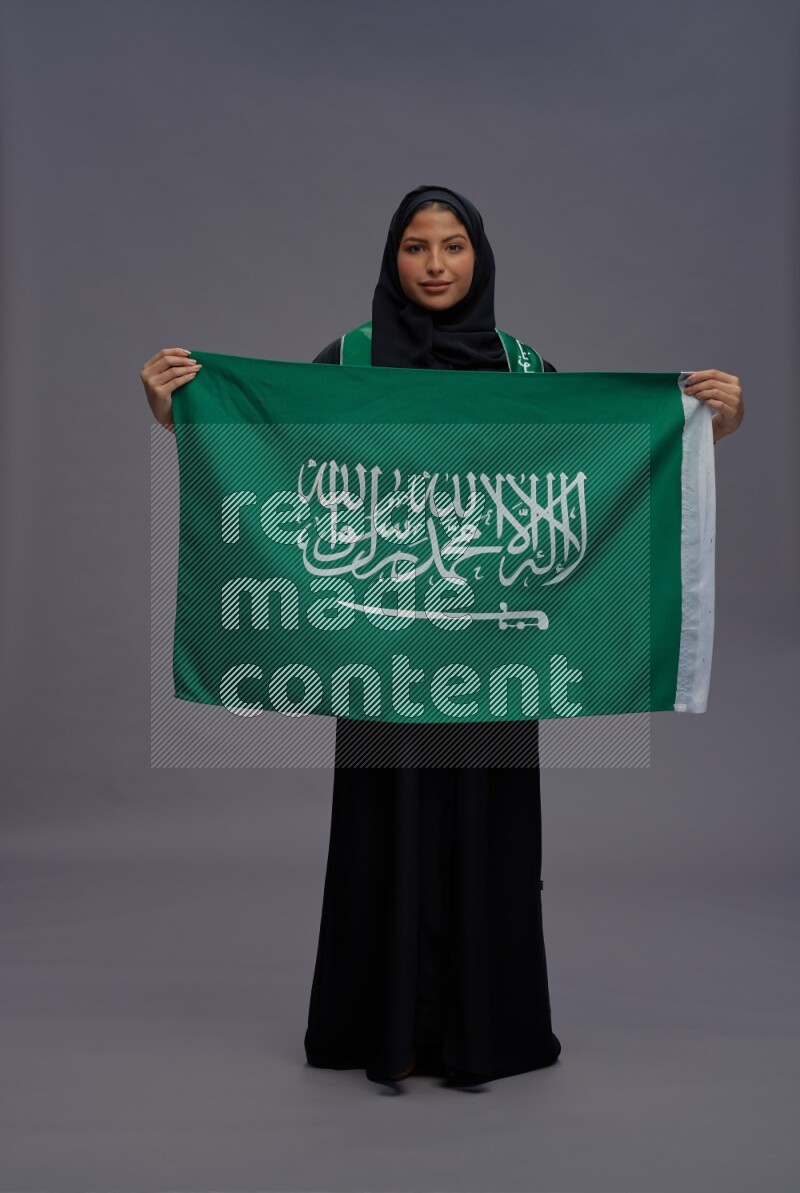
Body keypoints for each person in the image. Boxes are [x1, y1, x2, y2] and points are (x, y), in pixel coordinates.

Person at [140, 186, 745, 1092]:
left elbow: (597, 466)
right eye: (416, 247)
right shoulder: (347, 362)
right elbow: (270, 449)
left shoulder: (522, 368)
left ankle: (480, 1034)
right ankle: (383, 1030)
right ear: (392, 260)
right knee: (383, 835)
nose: (434, 264)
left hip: (489, 667)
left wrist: (705, 425)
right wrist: (172, 407)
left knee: (489, 838)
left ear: (479, 257)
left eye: (452, 245)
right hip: (380, 657)